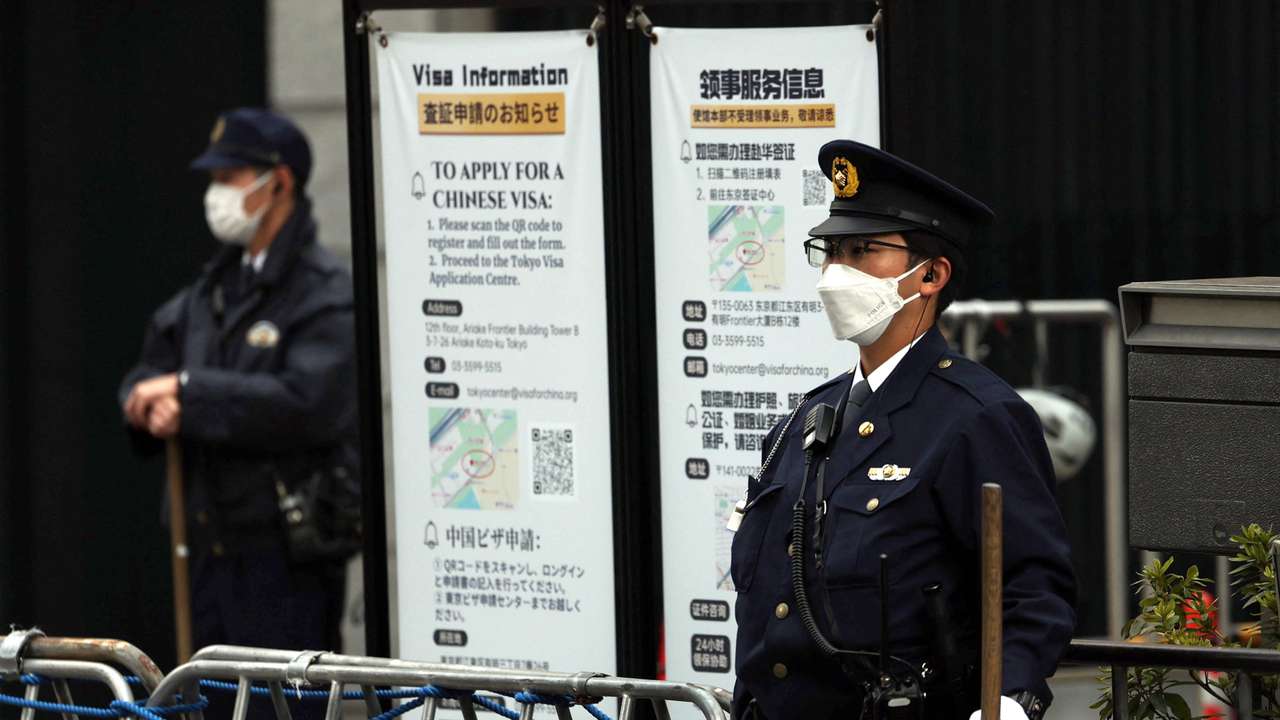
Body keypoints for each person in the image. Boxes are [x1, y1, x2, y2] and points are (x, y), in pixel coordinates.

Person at [729, 140, 1076, 720]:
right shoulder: (805, 422)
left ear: (931, 274)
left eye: (863, 251)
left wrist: (1009, 703)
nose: (837, 273)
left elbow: (1034, 588)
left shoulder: (976, 417)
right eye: (831, 251)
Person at [119, 109, 358, 685]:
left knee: (283, 700)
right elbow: (149, 368)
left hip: (284, 557)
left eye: (230, 178)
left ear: (278, 183)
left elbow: (307, 402)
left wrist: (188, 391)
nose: (216, 195)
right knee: (208, 696)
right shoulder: (214, 287)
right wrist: (149, 404)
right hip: (205, 546)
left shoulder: (323, 292)